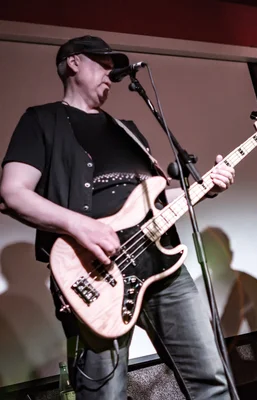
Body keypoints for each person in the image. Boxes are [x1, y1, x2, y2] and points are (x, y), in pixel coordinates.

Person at [0, 35, 235, 399]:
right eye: (103, 66)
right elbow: (12, 194)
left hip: (164, 267)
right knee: (105, 393)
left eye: (113, 71)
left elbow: (156, 199)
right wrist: (80, 225)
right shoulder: (41, 120)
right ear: (73, 63)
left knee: (211, 379)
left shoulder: (127, 129)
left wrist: (207, 188)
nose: (111, 76)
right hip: (96, 273)